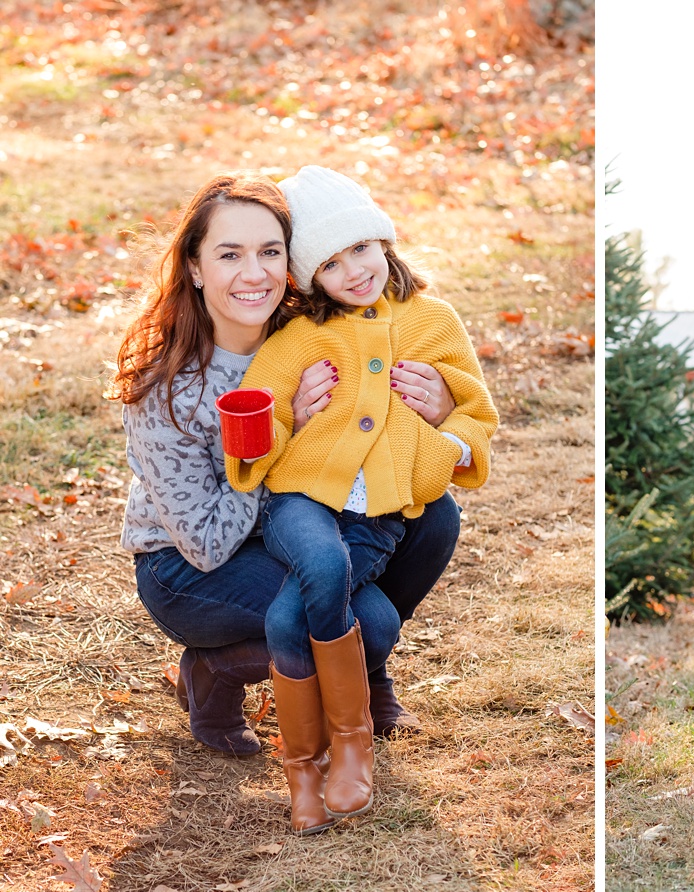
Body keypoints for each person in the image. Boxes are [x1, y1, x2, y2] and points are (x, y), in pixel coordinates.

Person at [107, 173, 460, 779]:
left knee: (436, 514)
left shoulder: (313, 331)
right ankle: (214, 670)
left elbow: (377, 434)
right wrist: (287, 434)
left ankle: (358, 671)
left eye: (270, 252)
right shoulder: (168, 387)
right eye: (229, 254)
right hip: (189, 567)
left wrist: (441, 404)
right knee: (367, 625)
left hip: (300, 528)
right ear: (194, 267)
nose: (254, 274)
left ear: (294, 265)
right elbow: (206, 541)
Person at [222, 165, 498, 832]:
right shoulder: (299, 337)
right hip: (301, 500)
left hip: (378, 511)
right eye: (331, 262)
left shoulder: (432, 320)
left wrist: (444, 449)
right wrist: (276, 423)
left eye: (362, 249)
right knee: (319, 565)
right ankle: (350, 743)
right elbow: (264, 414)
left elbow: (475, 412)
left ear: (385, 242)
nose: (353, 271)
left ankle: (311, 770)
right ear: (308, 276)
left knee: (290, 620)